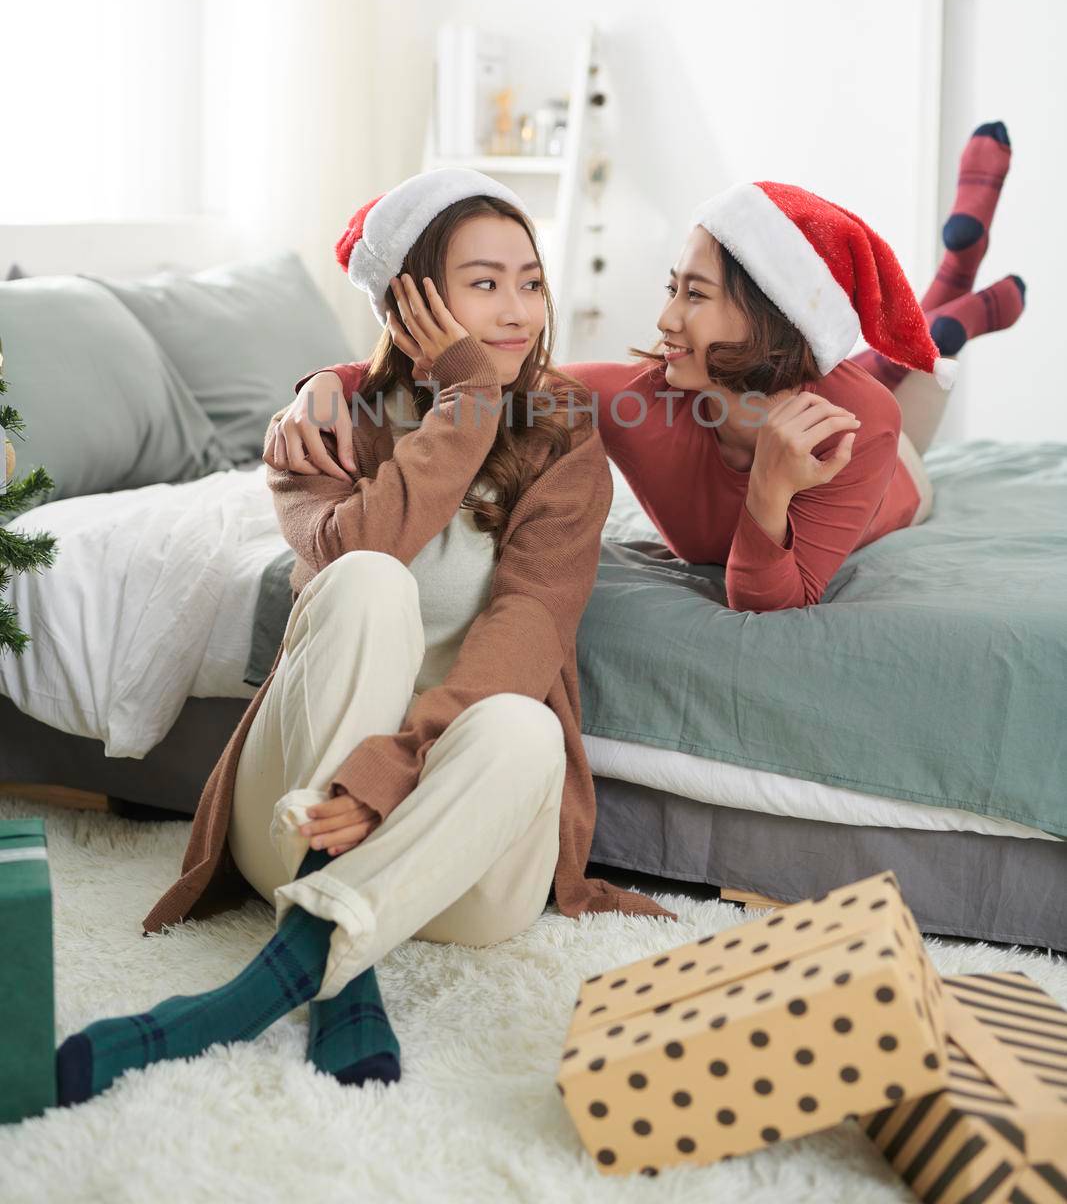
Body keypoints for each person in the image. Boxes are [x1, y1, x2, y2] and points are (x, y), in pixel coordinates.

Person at [54, 168, 676, 1109]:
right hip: (302, 823)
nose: (515, 310)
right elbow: (358, 546)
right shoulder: (325, 427)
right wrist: (462, 402)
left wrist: (397, 766)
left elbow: (531, 622)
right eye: (482, 282)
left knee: (526, 725)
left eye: (529, 280)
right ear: (411, 298)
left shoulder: (563, 433)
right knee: (370, 581)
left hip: (463, 858)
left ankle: (259, 988)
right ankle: (336, 954)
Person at [275, 123, 1025, 613]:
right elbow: (490, 370)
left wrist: (768, 488)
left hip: (899, 483)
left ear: (765, 312)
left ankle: (948, 302)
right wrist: (324, 385)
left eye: (692, 295)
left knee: (887, 390)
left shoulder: (855, 432)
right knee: (861, 366)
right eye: (671, 289)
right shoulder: (641, 397)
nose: (664, 319)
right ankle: (952, 295)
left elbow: (769, 599)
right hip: (795, 374)